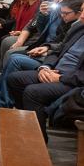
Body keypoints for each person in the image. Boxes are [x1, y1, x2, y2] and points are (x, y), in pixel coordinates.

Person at [0, 0, 82, 109]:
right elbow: (39, 29)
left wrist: (60, 75)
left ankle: (4, 100)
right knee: (11, 56)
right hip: (48, 54)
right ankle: (5, 97)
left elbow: (59, 45)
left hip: (65, 73)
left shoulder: (75, 24)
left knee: (15, 59)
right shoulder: (67, 20)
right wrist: (45, 65)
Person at [7, 8, 84, 140]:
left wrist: (60, 77)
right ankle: (28, 124)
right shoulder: (78, 29)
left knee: (33, 92)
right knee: (15, 79)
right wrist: (45, 67)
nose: (82, 16)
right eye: (82, 10)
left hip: (73, 82)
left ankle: (38, 140)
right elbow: (57, 51)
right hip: (55, 71)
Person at [0, 0, 42, 66]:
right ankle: (2, 69)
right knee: (5, 40)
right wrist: (17, 32)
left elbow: (35, 26)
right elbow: (18, 21)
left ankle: (4, 69)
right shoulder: (25, 5)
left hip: (32, 36)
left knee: (6, 40)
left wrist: (20, 33)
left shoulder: (40, 7)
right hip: (22, 32)